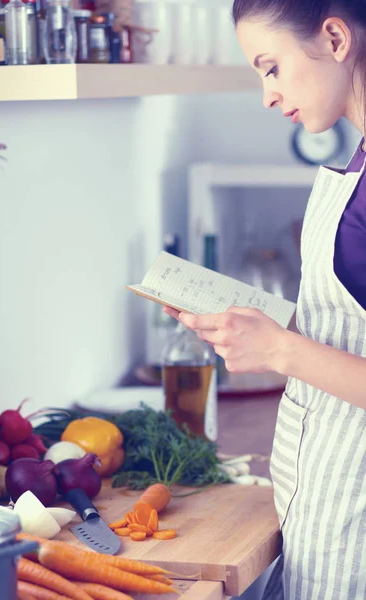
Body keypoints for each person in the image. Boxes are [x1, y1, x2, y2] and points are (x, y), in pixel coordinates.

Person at [164, 1, 366, 598]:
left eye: (270, 66)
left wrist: (280, 349)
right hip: (327, 505)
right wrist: (267, 326)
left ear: (334, 38)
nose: (267, 95)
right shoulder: (358, 160)